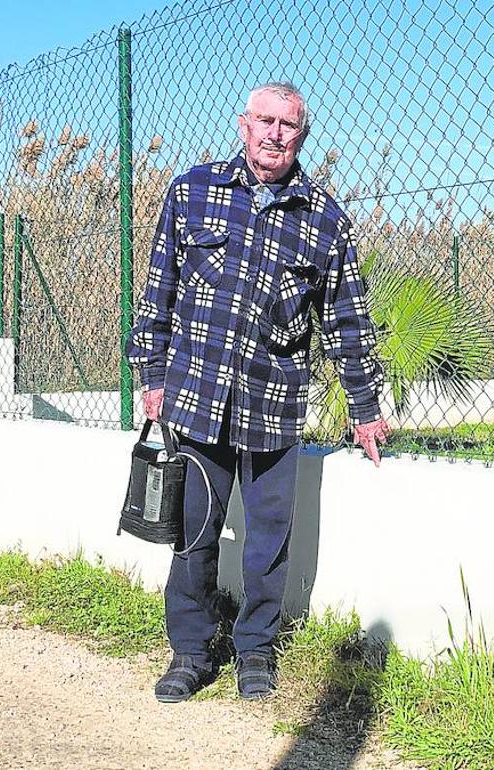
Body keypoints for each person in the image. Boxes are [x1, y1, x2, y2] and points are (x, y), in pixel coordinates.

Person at [125, 81, 389, 703]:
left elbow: (347, 320)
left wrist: (365, 408)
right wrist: (151, 373)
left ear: (303, 135)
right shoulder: (193, 192)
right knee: (194, 530)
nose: (275, 134)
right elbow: (159, 287)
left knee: (269, 536)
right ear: (244, 126)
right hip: (196, 393)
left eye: (288, 125)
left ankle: (255, 652)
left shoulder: (325, 219)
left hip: (276, 403)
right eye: (265, 121)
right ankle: (190, 651)